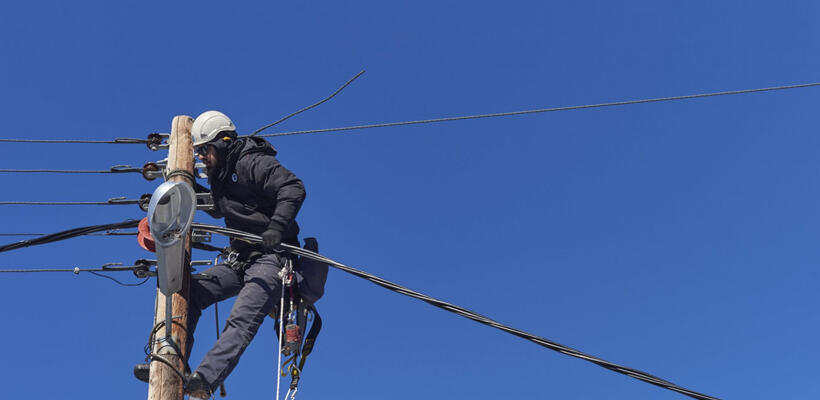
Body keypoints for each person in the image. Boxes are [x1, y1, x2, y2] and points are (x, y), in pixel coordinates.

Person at [135, 110, 315, 398]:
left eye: (204, 150)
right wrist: (186, 187)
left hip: (272, 258)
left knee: (241, 318)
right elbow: (221, 208)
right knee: (188, 292)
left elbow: (292, 187)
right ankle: (169, 362)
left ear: (222, 143)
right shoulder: (219, 175)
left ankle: (204, 379)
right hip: (241, 260)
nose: (201, 157)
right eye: (197, 151)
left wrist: (276, 227)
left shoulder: (251, 162)